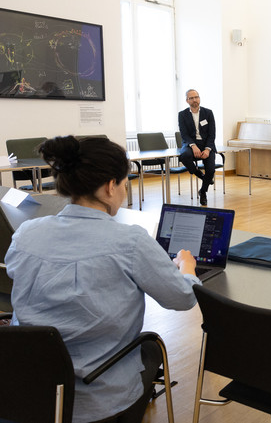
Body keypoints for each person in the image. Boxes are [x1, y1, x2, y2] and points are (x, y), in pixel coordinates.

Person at [5, 136, 200, 423]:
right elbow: (182, 298)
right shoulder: (130, 241)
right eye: (124, 183)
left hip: (28, 389)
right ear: (110, 186)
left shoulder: (26, 233)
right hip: (97, 401)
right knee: (149, 347)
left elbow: (16, 273)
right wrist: (187, 269)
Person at [178, 89, 216, 206]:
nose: (195, 100)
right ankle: (199, 174)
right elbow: (184, 134)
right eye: (191, 98)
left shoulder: (208, 113)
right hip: (190, 144)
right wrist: (193, 146)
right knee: (184, 156)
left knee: (210, 169)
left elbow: (212, 134)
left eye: (196, 97)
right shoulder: (182, 114)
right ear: (187, 101)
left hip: (206, 144)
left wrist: (208, 149)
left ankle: (203, 191)